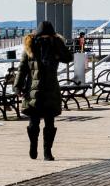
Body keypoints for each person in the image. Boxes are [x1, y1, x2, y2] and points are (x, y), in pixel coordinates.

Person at [15, 21, 72, 160]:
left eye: (48, 36)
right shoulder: (30, 48)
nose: (45, 39)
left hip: (50, 90)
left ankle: (47, 152)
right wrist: (18, 86)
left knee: (50, 122)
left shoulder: (55, 46)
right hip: (34, 90)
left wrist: (57, 42)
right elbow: (22, 68)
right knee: (33, 122)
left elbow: (68, 57)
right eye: (44, 36)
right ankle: (33, 147)